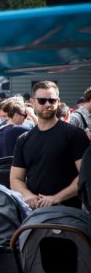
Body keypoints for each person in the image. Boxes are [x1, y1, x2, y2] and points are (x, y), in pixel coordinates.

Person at [11, 81, 90, 209]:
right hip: (34, 215)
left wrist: (55, 198)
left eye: (52, 101)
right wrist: (27, 195)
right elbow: (15, 178)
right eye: (42, 100)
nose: (48, 104)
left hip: (68, 214)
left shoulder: (74, 135)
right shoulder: (24, 139)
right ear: (32, 102)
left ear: (58, 102)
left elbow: (85, 175)